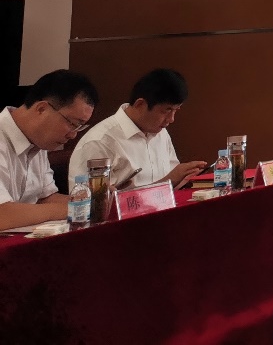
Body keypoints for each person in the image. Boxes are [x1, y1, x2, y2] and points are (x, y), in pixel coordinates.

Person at [70, 68, 206, 188]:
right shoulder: (99, 141)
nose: (171, 119)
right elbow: (85, 202)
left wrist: (186, 178)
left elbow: (174, 183)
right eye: (166, 111)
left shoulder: (161, 133)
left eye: (176, 110)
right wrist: (170, 180)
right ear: (140, 104)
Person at [0, 69, 97, 230]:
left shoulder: (38, 142)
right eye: (72, 123)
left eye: (79, 127)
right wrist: (68, 209)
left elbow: (45, 198)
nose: (73, 135)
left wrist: (91, 201)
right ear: (41, 109)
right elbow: (3, 215)